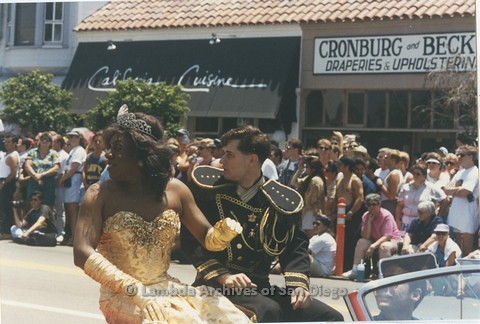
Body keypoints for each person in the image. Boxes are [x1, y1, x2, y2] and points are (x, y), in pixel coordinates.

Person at [73, 105, 250, 323]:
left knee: (233, 319)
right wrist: (135, 290)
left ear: (142, 155)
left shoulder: (176, 190)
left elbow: (207, 238)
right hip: (121, 295)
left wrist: (222, 233)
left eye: (118, 147)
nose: (108, 153)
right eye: (110, 146)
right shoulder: (99, 193)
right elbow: (81, 253)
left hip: (165, 288)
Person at [188, 126, 343, 322]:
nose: (222, 161)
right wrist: (223, 276)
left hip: (260, 286)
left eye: (229, 155)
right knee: (269, 311)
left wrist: (298, 286)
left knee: (330, 317)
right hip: (216, 284)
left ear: (252, 160)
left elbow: (295, 246)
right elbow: (191, 238)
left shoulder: (281, 200)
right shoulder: (209, 190)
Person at [343, 193, 401, 280]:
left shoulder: (386, 216)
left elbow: (387, 236)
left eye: (374, 204)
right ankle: (355, 270)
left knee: (384, 246)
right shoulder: (366, 216)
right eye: (369, 205)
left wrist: (373, 246)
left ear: (379, 205)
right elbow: (365, 236)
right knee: (361, 242)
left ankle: (383, 274)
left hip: (391, 240)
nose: (371, 207)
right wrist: (369, 222)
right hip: (375, 239)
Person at [443, 145, 479, 256]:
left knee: (467, 249)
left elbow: (465, 192)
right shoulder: (459, 172)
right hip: (456, 212)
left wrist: (455, 190)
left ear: (471, 156)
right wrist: (457, 189)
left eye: (462, 155)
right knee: (458, 248)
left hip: (468, 212)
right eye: (457, 154)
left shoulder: (475, 172)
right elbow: (446, 189)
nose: (458, 157)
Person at [395, 164, 446, 232]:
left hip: (422, 224)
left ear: (424, 176)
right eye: (414, 173)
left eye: (418, 174)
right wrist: (398, 220)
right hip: (405, 223)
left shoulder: (431, 188)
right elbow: (400, 205)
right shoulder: (406, 187)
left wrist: (439, 215)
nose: (415, 176)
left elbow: (445, 200)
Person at [336, 156, 364, 272]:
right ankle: (339, 266)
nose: (338, 167)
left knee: (349, 242)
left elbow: (360, 198)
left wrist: (351, 211)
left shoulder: (355, 180)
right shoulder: (340, 178)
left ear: (346, 167)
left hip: (351, 212)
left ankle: (348, 267)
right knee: (339, 240)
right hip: (340, 211)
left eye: (340, 165)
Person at [58, 130, 86, 245]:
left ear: (79, 138)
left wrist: (62, 179)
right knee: (69, 210)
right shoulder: (72, 151)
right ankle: (71, 235)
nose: (72, 139)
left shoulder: (79, 151)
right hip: (70, 180)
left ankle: (75, 237)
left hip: (74, 180)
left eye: (75, 136)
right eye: (70, 136)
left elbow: (73, 168)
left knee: (73, 210)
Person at [291, 157, 327, 239]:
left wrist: (302, 214)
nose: (305, 169)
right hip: (307, 213)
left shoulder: (315, 181)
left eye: (307, 167)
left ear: (313, 169)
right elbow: (294, 182)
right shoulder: (309, 179)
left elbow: (311, 201)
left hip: (312, 213)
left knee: (310, 237)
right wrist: (299, 169)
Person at [23, 132, 60, 208]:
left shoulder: (54, 153)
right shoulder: (32, 152)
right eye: (43, 139)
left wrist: (42, 175)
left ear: (50, 143)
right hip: (34, 181)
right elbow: (27, 165)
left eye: (47, 140)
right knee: (32, 205)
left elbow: (56, 168)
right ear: (39, 141)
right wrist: (35, 175)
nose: (45, 141)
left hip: (48, 182)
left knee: (47, 206)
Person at [0, 134, 20, 235]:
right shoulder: (7, 154)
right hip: (3, 181)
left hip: (8, 183)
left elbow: (13, 172)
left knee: (7, 206)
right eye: (5, 142)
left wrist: (4, 182)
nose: (6, 144)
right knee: (3, 206)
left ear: (14, 143)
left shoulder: (13, 156)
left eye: (9, 142)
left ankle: (8, 230)